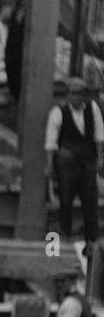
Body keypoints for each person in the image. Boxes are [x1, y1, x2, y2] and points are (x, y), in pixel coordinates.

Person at [44, 76, 102, 257]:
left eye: (79, 94)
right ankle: (61, 247)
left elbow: (99, 136)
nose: (75, 97)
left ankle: (91, 246)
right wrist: (49, 167)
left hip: (87, 164)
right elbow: (51, 143)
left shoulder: (93, 109)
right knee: (65, 203)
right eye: (72, 93)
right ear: (67, 95)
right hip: (67, 165)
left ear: (84, 96)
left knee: (90, 205)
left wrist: (100, 160)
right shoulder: (58, 112)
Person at [29, 268, 95, 317]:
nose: (59, 284)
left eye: (62, 281)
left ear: (73, 281)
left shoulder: (71, 302)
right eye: (56, 281)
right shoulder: (80, 298)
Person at [2, 0, 28, 103]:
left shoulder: (28, 7)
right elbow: (4, 20)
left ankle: (17, 96)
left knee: (18, 69)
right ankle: (13, 93)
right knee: (10, 66)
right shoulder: (14, 6)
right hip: (11, 42)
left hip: (21, 44)